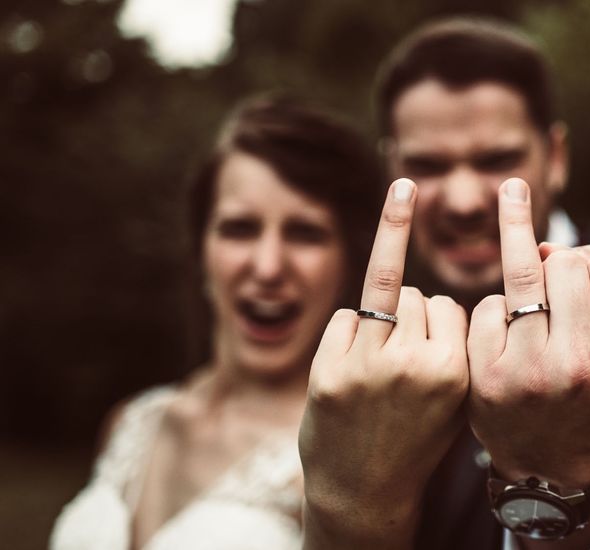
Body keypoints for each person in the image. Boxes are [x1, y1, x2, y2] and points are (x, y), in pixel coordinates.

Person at [300, 17, 590, 550]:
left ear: (556, 158)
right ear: (392, 166)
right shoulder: (358, 350)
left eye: (496, 160)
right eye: (427, 165)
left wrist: (570, 479)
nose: (464, 200)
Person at [50, 94, 381, 550]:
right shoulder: (132, 421)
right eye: (239, 228)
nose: (267, 267)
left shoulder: (345, 460)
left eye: (305, 233)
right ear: (202, 249)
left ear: (349, 264)